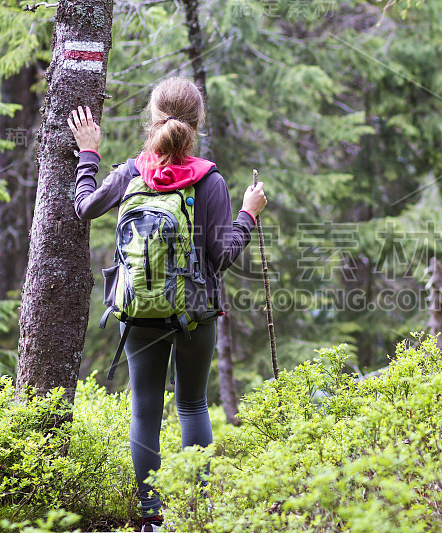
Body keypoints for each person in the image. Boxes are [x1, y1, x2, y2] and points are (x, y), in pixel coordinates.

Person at [68, 77, 267, 532]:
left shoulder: (132, 172)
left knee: (144, 408)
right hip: (195, 311)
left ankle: (151, 519)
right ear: (197, 123)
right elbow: (222, 257)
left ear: (151, 118)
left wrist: (88, 153)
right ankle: (194, 516)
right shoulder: (210, 180)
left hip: (136, 309)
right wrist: (248, 214)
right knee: (193, 405)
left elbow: (83, 208)